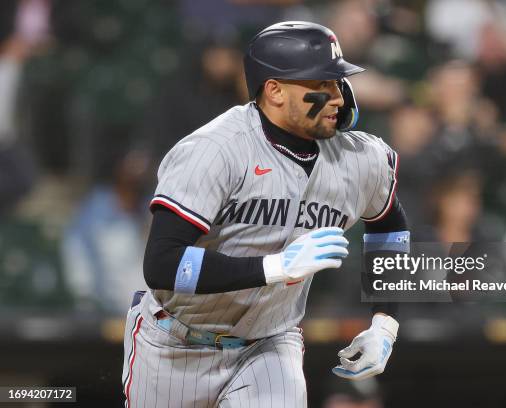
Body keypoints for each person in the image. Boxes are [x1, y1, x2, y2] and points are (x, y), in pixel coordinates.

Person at [122, 21, 409, 407]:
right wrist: (275, 268)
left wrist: (384, 323)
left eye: (338, 83)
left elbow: (390, 227)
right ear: (274, 91)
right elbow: (162, 263)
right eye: (321, 85)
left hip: (270, 344)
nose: (338, 97)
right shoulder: (216, 150)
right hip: (176, 343)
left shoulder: (361, 160)